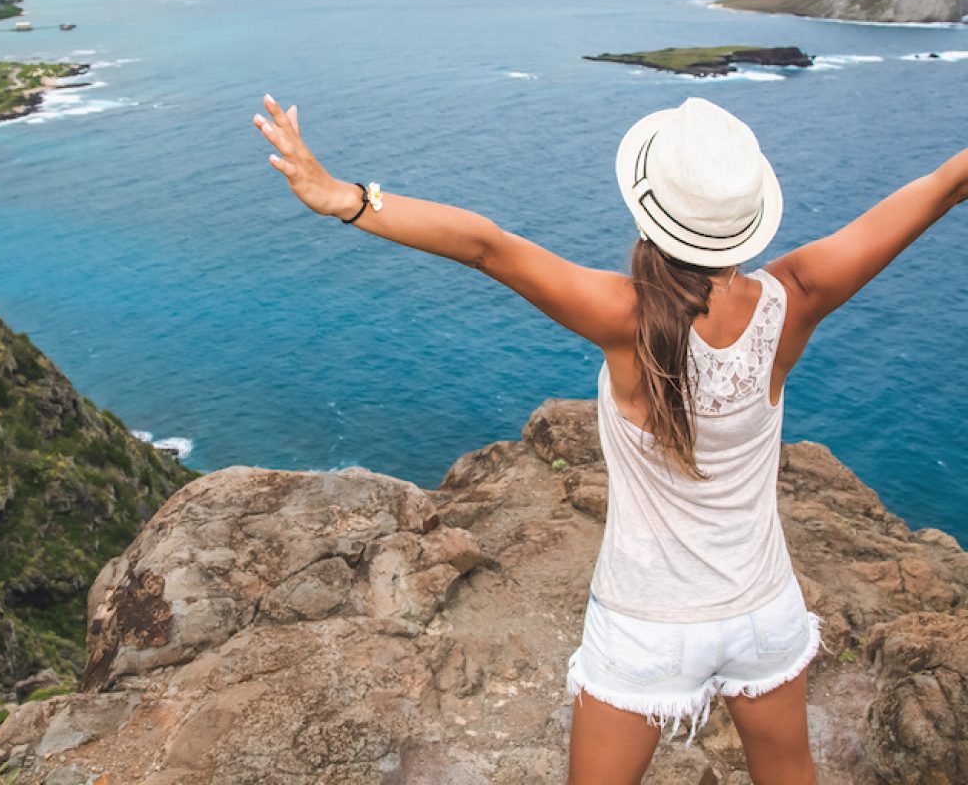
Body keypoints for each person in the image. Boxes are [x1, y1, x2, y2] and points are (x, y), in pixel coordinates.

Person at [252, 93, 967, 785]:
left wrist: (344, 197)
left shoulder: (625, 316)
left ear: (653, 208)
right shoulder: (799, 295)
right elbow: (937, 191)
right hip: (763, 612)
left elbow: (486, 249)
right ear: (747, 216)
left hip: (644, 627)